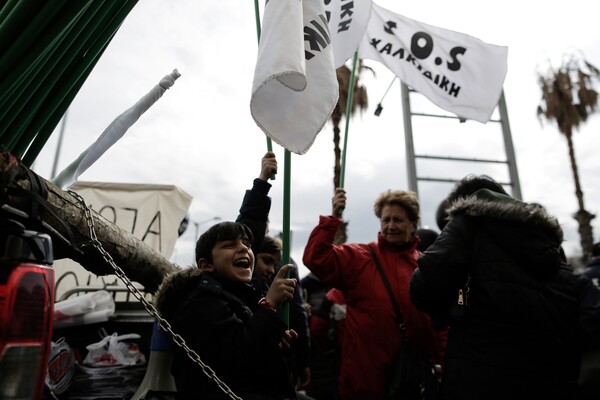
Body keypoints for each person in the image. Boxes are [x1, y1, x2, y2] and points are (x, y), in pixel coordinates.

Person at [409, 175, 581, 400]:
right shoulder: (548, 240)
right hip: (554, 380)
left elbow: (422, 289)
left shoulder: (467, 223)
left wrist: (456, 300)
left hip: (482, 378)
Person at [302, 187, 444, 400]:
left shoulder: (426, 267)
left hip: (413, 381)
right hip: (363, 384)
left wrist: (441, 363)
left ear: (413, 224)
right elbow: (316, 258)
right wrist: (334, 217)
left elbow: (441, 323)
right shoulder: (360, 257)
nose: (391, 226)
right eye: (385, 220)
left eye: (398, 220)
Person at [154, 221, 299, 400]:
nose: (244, 249)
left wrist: (274, 343)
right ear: (206, 265)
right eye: (230, 245)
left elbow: (255, 354)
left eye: (247, 244)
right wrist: (269, 305)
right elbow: (238, 361)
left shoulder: (239, 297)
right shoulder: (199, 302)